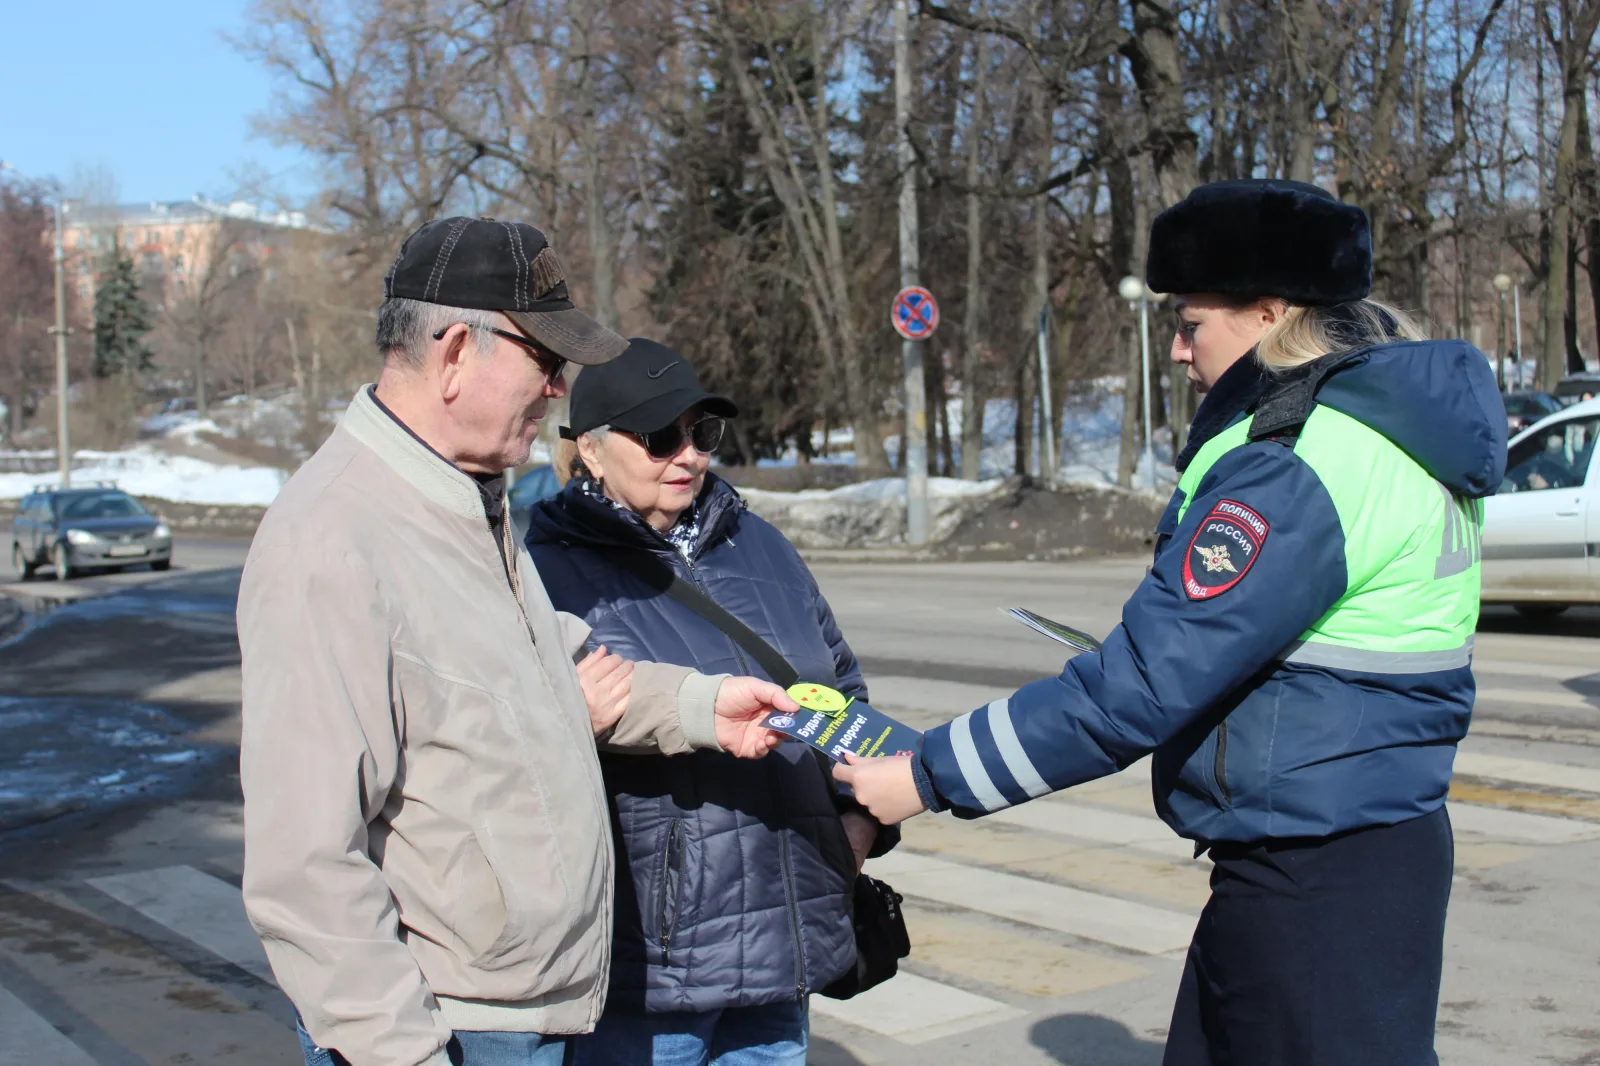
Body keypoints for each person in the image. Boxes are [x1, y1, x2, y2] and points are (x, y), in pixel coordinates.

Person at [836, 179, 1509, 1066]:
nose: (1180, 352)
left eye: (1192, 325)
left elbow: (1140, 688)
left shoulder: (1300, 463)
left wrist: (925, 775)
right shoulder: (1383, 431)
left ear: (1270, 314)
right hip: (1350, 842)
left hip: (1312, 873)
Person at [237, 217, 796, 1066]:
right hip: (445, 1024)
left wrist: (700, 705)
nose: (558, 392)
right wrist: (401, 1051)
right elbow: (305, 862)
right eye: (546, 362)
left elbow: (556, 669)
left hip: (521, 1009)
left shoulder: (464, 499)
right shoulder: (334, 536)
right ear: (458, 348)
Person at [524, 339, 895, 1066]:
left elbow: (841, 691)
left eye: (703, 433)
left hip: (787, 946)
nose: (688, 455)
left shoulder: (762, 546)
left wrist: (859, 825)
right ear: (592, 452)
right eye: (661, 437)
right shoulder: (546, 573)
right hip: (656, 968)